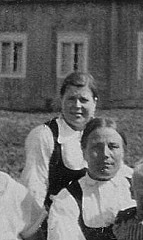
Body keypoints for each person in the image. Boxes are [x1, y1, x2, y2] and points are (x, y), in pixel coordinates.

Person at [21, 71, 98, 209]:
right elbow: (34, 188)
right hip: (56, 221)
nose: (77, 105)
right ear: (61, 100)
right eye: (71, 99)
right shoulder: (44, 135)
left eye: (84, 100)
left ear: (94, 102)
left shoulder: (102, 134)